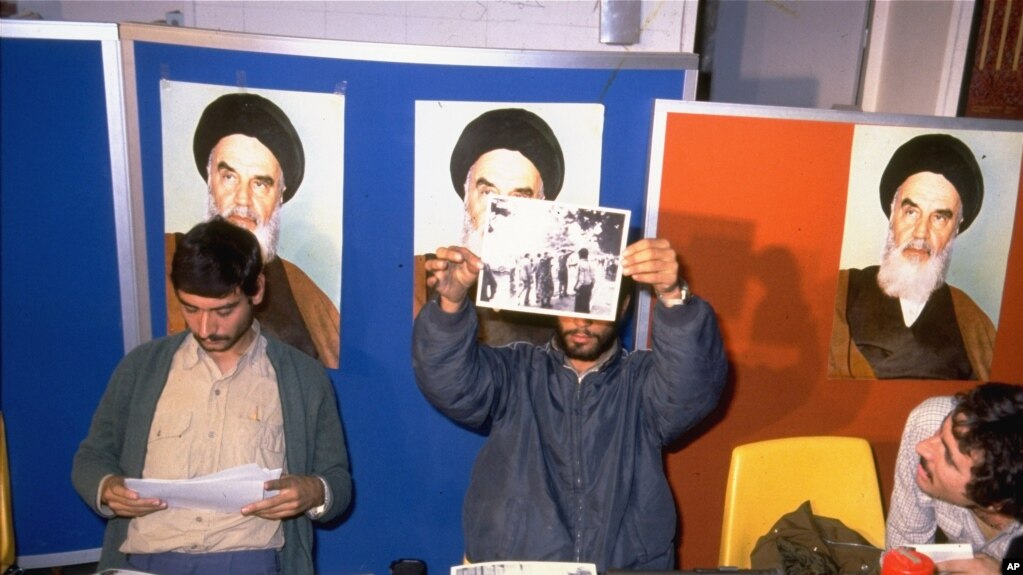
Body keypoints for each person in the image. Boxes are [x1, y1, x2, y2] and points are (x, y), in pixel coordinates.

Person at [412, 238, 727, 572]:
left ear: (622, 309)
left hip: (623, 566)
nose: (582, 323)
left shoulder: (643, 383)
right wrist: (451, 303)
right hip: (516, 564)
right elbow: (447, 381)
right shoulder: (515, 371)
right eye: (571, 308)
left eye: (597, 309)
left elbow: (694, 385)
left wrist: (672, 295)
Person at [73, 217, 351, 575]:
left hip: (252, 561)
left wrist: (314, 492)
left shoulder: (303, 378)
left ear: (257, 290)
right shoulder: (141, 368)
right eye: (191, 309)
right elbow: (91, 457)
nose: (205, 328)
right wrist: (107, 487)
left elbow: (337, 482)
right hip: (145, 561)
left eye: (223, 311)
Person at [165, 92, 340, 369]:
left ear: (279, 195)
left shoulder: (304, 293)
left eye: (260, 184)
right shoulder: (160, 260)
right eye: (230, 177)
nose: (243, 201)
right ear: (210, 179)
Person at [829, 133, 995, 380]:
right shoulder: (839, 290)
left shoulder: (972, 320)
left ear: (955, 229)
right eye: (911, 212)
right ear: (892, 212)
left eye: (939, 217)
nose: (921, 232)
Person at [413, 107, 565, 345]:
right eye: (487, 193)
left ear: (541, 205)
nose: (500, 213)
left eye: (519, 197)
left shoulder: (565, 293)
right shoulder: (419, 279)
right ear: (467, 197)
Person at [887, 382, 1023, 575]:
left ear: (994, 502)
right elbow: (905, 547)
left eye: (950, 458)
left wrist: (1005, 570)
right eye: (941, 431)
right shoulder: (928, 422)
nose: (922, 447)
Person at [574, 247, 595, 313]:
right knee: (586, 306)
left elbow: (581, 280)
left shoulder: (580, 264)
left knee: (579, 309)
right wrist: (591, 285)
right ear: (587, 255)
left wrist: (576, 288)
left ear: (579, 255)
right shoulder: (591, 263)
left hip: (582, 288)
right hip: (589, 286)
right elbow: (593, 277)